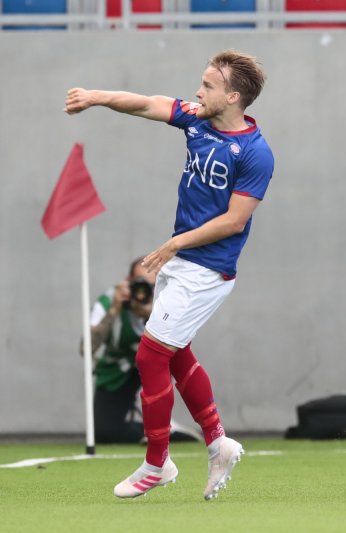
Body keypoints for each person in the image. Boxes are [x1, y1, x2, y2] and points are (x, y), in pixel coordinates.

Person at [64, 49, 275, 500]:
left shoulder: (256, 153)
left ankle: (157, 462)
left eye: (209, 86)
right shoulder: (195, 118)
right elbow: (145, 103)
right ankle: (218, 442)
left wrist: (176, 242)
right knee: (175, 355)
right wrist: (97, 97)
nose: (199, 91)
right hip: (181, 264)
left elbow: (235, 221)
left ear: (234, 96)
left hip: (209, 271)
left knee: (150, 357)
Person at [83, 257, 201, 444]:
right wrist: (113, 311)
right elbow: (86, 348)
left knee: (163, 357)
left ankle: (162, 425)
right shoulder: (108, 301)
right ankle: (154, 430)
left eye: (152, 285)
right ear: (128, 281)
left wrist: (150, 314)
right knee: (103, 433)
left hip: (153, 364)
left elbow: (180, 345)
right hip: (116, 370)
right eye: (140, 284)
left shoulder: (167, 301)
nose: (144, 291)